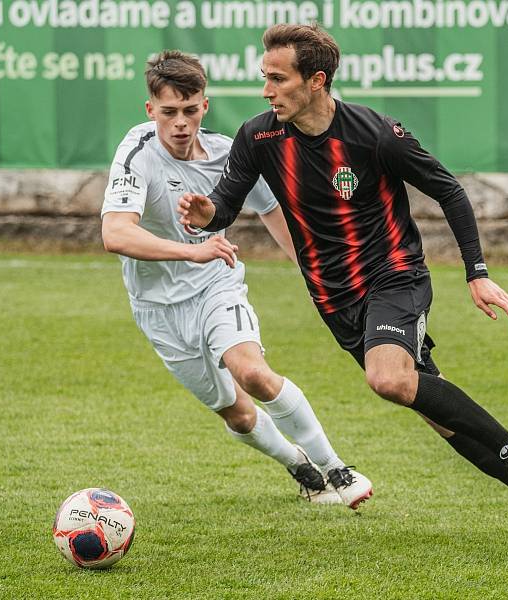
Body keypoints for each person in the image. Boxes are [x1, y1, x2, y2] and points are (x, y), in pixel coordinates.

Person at [177, 25, 508, 539]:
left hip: (394, 277)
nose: (266, 90)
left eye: (278, 78)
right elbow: (224, 207)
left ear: (316, 80)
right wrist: (207, 214)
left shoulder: (374, 135)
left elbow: (450, 191)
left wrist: (477, 274)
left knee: (388, 379)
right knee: (433, 407)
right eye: (264, 78)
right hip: (332, 298)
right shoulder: (259, 137)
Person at [101, 50, 373, 510]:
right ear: (151, 111)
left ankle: (336, 468)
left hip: (215, 285)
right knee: (238, 413)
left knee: (252, 373)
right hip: (158, 307)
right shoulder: (137, 153)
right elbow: (115, 233)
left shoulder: (230, 153)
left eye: (190, 110)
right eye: (169, 112)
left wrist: (314, 274)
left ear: (205, 106)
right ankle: (298, 464)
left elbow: (274, 212)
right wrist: (193, 249)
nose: (181, 123)